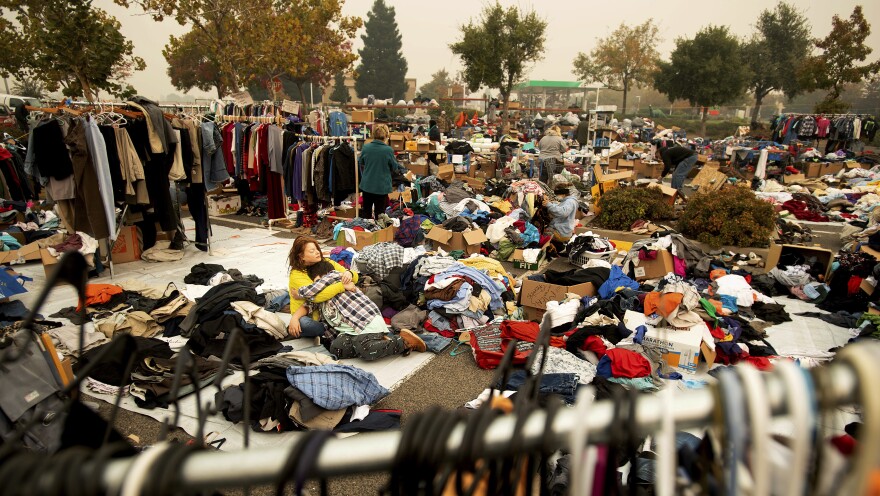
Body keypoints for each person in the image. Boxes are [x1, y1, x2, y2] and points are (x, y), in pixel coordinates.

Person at [297, 260, 426, 360]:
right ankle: (381, 343)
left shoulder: (335, 277)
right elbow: (308, 304)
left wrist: (297, 292)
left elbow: (310, 291)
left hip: (365, 323)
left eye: (317, 282)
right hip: (353, 332)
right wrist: (294, 319)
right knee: (336, 348)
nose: (316, 286)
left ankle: (404, 343)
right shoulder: (320, 299)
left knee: (364, 350)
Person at [358, 124, 405, 219]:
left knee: (366, 212)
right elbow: (395, 167)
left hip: (367, 185)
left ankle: (366, 232)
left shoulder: (366, 147)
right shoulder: (388, 150)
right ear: (386, 136)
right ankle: (379, 232)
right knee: (380, 214)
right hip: (381, 187)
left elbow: (361, 162)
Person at [542, 182, 579, 247]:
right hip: (563, 230)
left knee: (542, 235)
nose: (556, 196)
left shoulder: (569, 202)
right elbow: (560, 206)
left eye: (557, 194)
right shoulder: (568, 201)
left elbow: (562, 212)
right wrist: (551, 203)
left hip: (562, 232)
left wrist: (549, 205)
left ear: (563, 193)